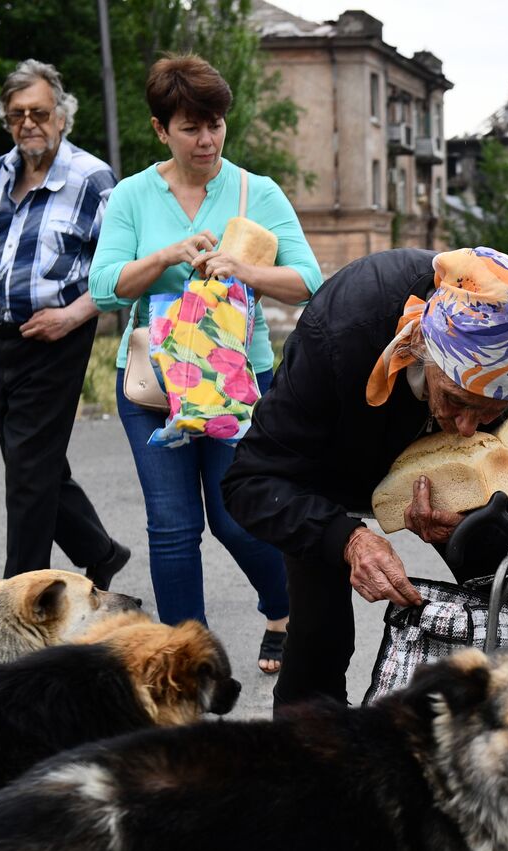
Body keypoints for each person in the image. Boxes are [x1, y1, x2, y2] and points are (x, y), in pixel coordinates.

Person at [221, 247, 508, 712]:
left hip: (461, 479)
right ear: (423, 351)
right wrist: (347, 539)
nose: (468, 425)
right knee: (320, 635)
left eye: (490, 411)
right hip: (332, 461)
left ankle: (507, 739)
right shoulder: (342, 329)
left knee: (507, 611)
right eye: (456, 398)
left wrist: (482, 517)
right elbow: (251, 478)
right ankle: (306, 764)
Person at [89, 56, 322, 674]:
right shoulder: (133, 195)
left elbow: (309, 281)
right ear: (161, 129)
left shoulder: (256, 191)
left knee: (237, 515)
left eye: (215, 124)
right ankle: (187, 659)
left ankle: (283, 607)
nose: (207, 139)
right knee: (171, 525)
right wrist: (167, 254)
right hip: (154, 385)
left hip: (239, 384)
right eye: (191, 127)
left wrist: (242, 268)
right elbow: (107, 285)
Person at [0, 60, 129, 588]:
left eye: (39, 113)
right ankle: (101, 551)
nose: (29, 123)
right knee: (32, 461)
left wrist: (72, 315)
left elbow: (122, 269)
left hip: (57, 339)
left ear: (62, 116)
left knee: (28, 470)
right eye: (17, 114)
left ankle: (18, 595)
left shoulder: (92, 179)